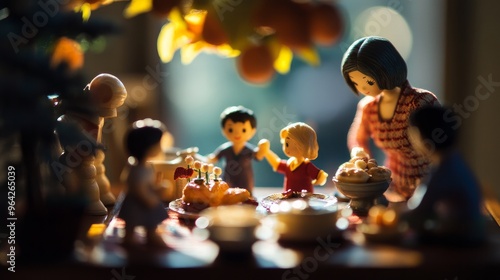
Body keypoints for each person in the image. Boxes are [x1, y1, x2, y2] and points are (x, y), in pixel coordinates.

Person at [341, 36, 440, 202]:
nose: (363, 89)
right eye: (356, 83)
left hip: (429, 187)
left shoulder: (420, 102)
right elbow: (356, 138)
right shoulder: (368, 108)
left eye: (369, 81)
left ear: (386, 70)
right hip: (392, 187)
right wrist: (359, 152)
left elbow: (441, 145)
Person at [401, 105, 486, 246]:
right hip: (466, 234)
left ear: (423, 136)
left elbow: (417, 212)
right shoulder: (453, 160)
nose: (411, 138)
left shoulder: (443, 170)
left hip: (460, 242)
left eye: (413, 133)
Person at [118, 118, 169, 248]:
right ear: (147, 147)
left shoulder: (147, 167)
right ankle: (128, 238)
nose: (161, 148)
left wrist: (157, 188)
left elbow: (148, 184)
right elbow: (137, 187)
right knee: (132, 222)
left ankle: (151, 235)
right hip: (137, 201)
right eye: (158, 145)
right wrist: (149, 199)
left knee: (151, 222)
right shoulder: (136, 169)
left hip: (146, 198)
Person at [207, 105, 268, 194]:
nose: (237, 133)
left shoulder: (248, 150)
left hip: (245, 181)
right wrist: (206, 160)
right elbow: (214, 158)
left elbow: (258, 156)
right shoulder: (225, 149)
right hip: (228, 181)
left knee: (246, 197)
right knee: (227, 196)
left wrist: (263, 149)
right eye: (231, 129)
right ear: (224, 130)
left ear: (252, 131)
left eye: (243, 130)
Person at [259, 122, 328, 193]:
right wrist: (266, 152)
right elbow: (277, 163)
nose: (286, 148)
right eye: (285, 144)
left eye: (287, 144)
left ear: (302, 145)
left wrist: (318, 181)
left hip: (304, 199)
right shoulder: (289, 164)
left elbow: (321, 176)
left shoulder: (306, 166)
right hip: (289, 198)